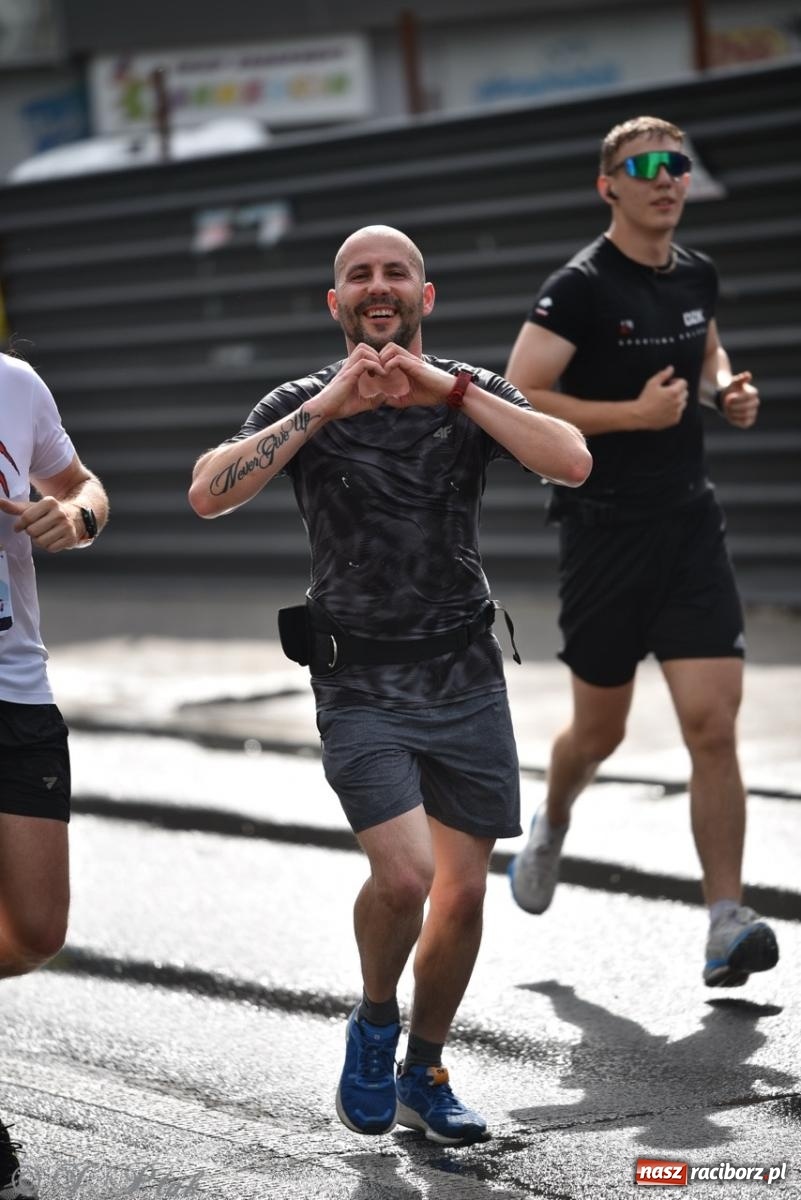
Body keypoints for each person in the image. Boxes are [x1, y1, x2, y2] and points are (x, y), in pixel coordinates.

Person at [189, 224, 591, 1144]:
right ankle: (375, 1023)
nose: (379, 286)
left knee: (462, 892)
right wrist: (327, 407)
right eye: (358, 276)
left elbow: (570, 459)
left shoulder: (467, 391)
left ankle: (425, 1067)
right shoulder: (303, 400)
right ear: (335, 303)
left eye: (395, 273)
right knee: (406, 875)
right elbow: (209, 492)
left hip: (464, 674)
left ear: (424, 296)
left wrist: (447, 388)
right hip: (358, 681)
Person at [504, 116, 779, 988]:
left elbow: (702, 350)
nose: (667, 179)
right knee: (600, 730)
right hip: (604, 533)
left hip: (689, 529)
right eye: (646, 166)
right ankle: (551, 819)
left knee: (712, 726)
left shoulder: (695, 271)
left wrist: (721, 390)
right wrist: (632, 416)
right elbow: (521, 393)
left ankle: (724, 922)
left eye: (678, 166)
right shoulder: (579, 288)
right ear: (608, 186)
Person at [0, 351, 109, 1198]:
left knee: (36, 931)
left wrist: (75, 518)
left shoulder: (15, 382)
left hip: (16, 687)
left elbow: (81, 484)